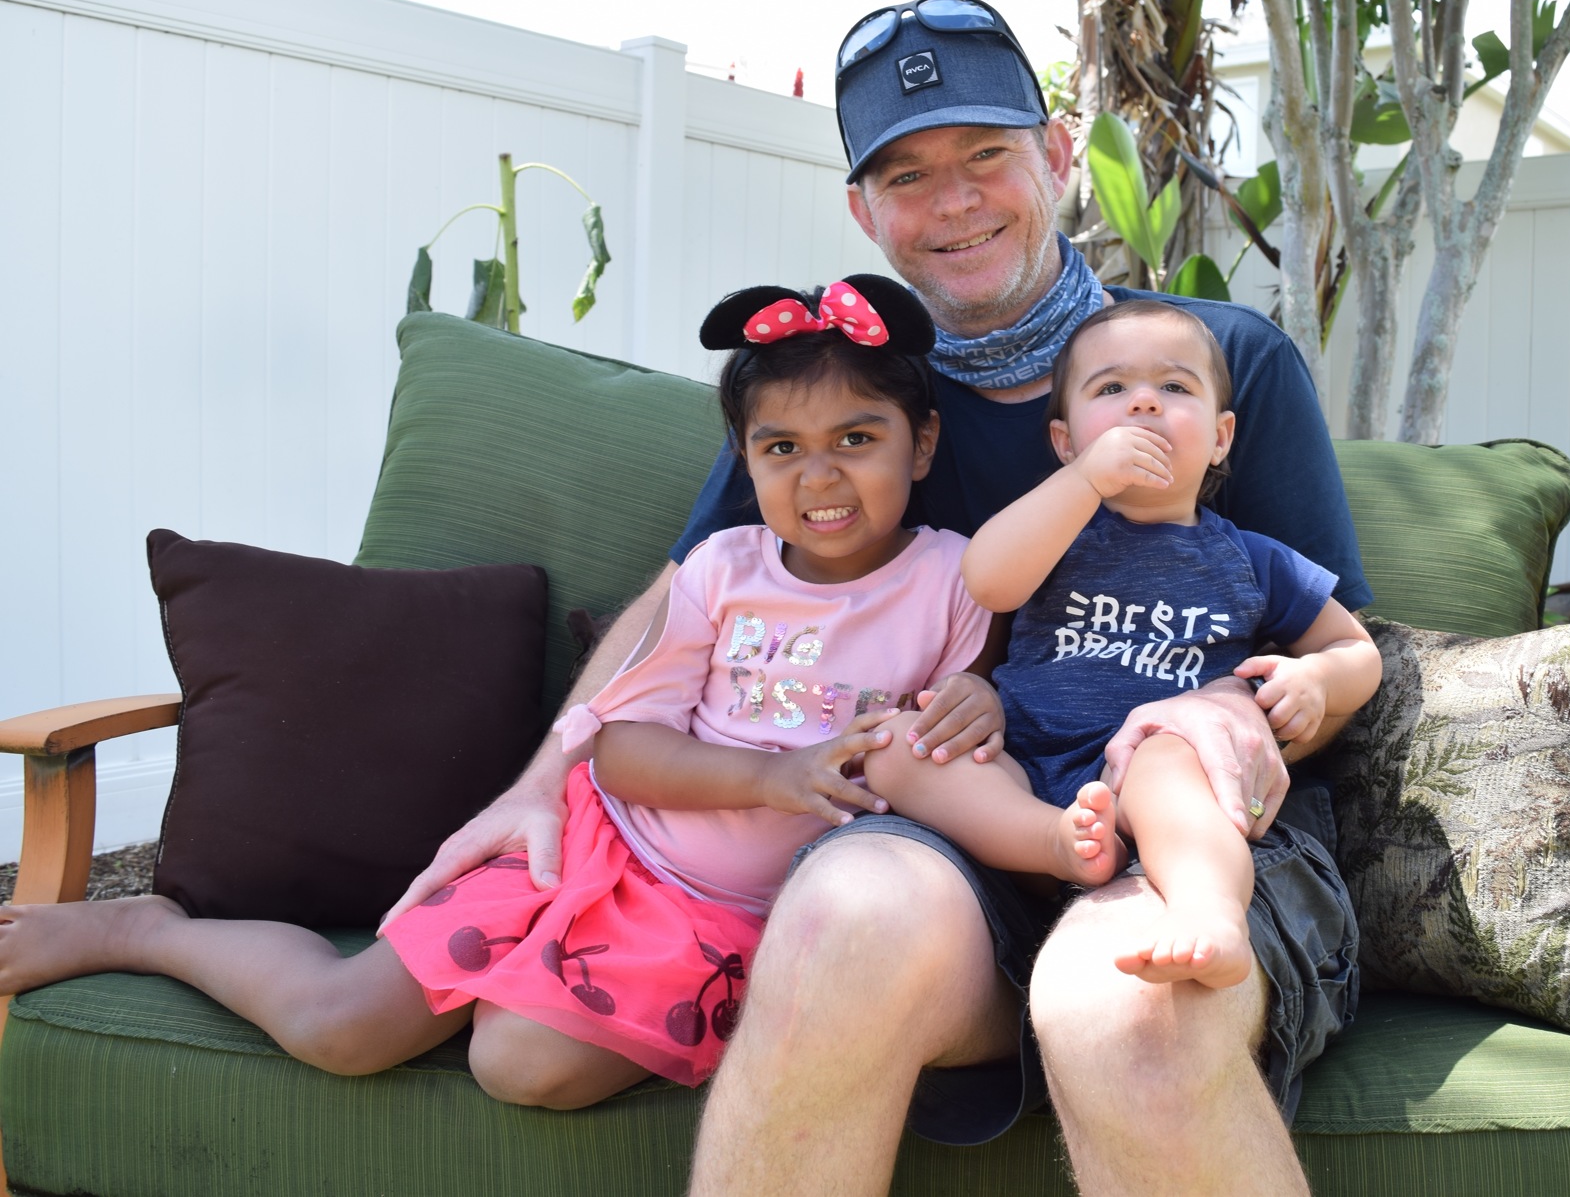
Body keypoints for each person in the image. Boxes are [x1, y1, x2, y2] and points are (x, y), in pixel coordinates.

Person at [382, 0, 1377, 1194]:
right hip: (949, 821)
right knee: (837, 923)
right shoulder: (851, 394)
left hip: (1184, 822)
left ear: (1058, 154)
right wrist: (549, 772)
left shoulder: (1201, 361)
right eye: (906, 176)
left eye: (985, 157)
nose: (952, 202)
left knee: (1125, 1013)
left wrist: (1231, 704)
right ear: (862, 209)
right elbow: (691, 589)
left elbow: (1334, 637)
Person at [0, 274, 1002, 1110]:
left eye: (855, 439)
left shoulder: (957, 583)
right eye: (781, 446)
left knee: (521, 1064)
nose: (818, 475)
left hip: (739, 919)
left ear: (918, 445)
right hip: (602, 843)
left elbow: (962, 732)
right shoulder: (720, 572)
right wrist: (775, 776)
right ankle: (152, 932)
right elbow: (619, 746)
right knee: (341, 1027)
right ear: (744, 459)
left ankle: (516, 993)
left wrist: (980, 710)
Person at [862, 300, 1381, 992]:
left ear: (1222, 436)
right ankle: (1057, 843)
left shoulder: (1253, 560)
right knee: (895, 746)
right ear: (1066, 441)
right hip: (1019, 761)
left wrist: (1315, 679)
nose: (1143, 404)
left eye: (1174, 387)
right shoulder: (1055, 528)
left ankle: (1209, 914)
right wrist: (1082, 485)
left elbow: (1357, 649)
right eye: (1110, 389)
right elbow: (987, 579)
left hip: (1144, 765)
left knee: (1172, 762)